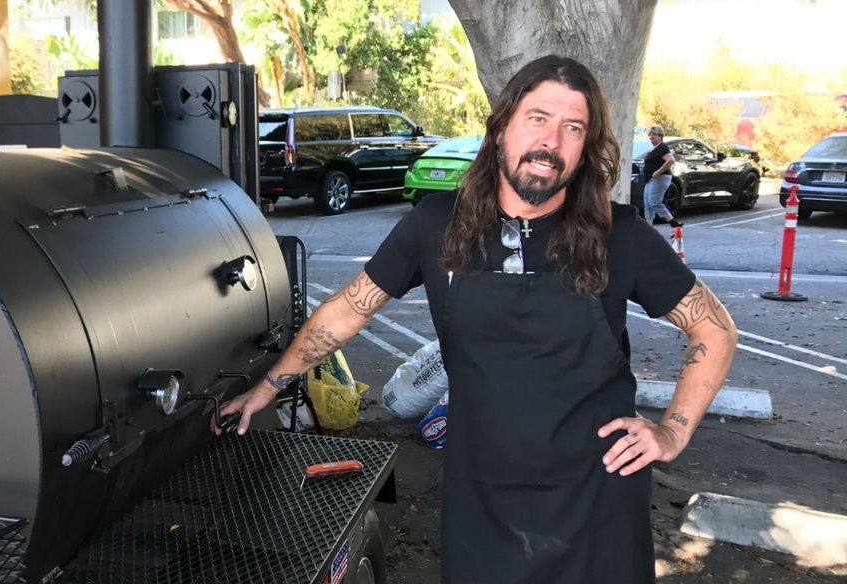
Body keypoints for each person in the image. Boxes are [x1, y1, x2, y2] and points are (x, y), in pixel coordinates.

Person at [214, 55, 738, 583]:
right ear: (502, 128)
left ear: (585, 146)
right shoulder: (434, 225)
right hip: (481, 497)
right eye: (537, 118)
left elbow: (714, 327)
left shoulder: (619, 234)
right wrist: (272, 383)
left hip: (598, 497)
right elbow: (349, 309)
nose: (551, 141)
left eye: (572, 127)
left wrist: (672, 430)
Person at [641, 124, 682, 227]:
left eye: (654, 134)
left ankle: (673, 222)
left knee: (654, 202)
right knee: (648, 205)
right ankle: (649, 228)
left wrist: (658, 172)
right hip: (650, 180)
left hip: (660, 178)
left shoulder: (662, 147)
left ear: (660, 136)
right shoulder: (653, 148)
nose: (651, 136)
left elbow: (671, 160)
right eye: (650, 134)